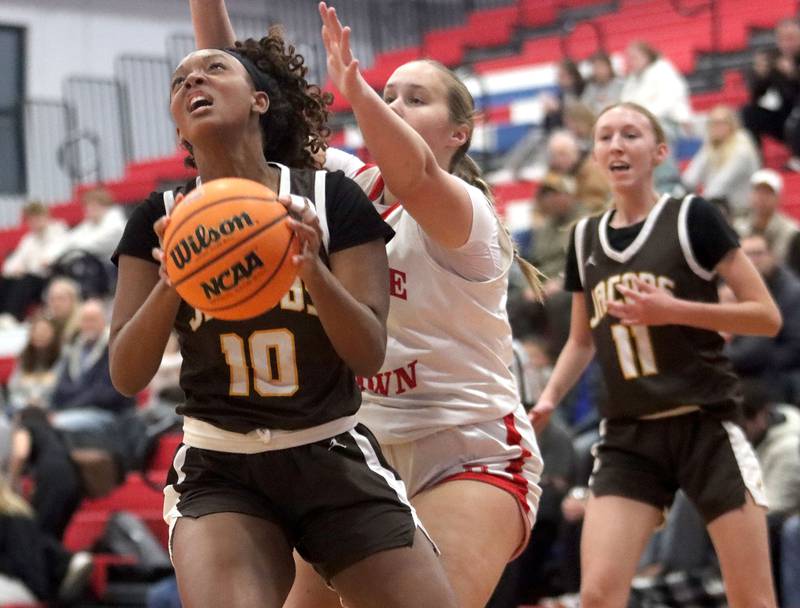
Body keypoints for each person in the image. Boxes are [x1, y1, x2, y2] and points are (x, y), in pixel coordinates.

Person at [189, 3, 543, 607]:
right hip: (357, 449)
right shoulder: (347, 189)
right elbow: (243, 95)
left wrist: (354, 88)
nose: (396, 104)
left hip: (467, 446)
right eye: (389, 93)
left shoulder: (469, 216)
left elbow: (417, 176)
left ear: (459, 133)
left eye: (416, 98)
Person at [109, 25, 457, 608]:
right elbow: (125, 374)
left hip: (330, 451)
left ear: (259, 101)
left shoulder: (330, 199)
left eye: (215, 69)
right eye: (179, 80)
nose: (193, 78)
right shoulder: (159, 217)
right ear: (178, 126)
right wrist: (172, 279)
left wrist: (312, 270)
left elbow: (367, 352)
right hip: (223, 463)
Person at [531, 101, 781, 608]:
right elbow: (582, 340)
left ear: (659, 152)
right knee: (598, 594)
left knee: (752, 597)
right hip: (629, 434)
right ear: (595, 154)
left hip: (705, 424)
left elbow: (765, 316)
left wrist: (675, 310)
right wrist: (550, 398)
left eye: (631, 134)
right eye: (604, 137)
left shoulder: (694, 217)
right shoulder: (584, 237)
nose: (616, 145)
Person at [682, 105, 760, 217]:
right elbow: (689, 179)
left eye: (721, 123)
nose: (715, 128)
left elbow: (718, 188)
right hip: (721, 210)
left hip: (743, 214)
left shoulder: (742, 149)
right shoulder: (711, 147)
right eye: (712, 123)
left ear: (732, 125)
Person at [0, 201, 67, 322]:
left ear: (46, 216)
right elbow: (11, 263)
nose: (34, 222)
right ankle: (3, 315)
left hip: (48, 277)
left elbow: (48, 260)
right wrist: (15, 269)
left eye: (37, 218)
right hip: (30, 275)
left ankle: (11, 316)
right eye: (31, 219)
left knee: (25, 280)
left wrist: (25, 268)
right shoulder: (28, 239)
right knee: (6, 279)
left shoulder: (58, 230)